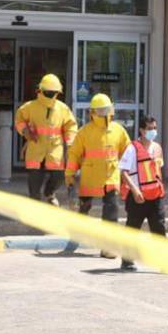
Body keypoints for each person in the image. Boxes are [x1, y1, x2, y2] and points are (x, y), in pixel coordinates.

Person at [65, 93, 131, 258]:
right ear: (92, 112)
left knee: (111, 212)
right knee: (84, 209)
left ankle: (108, 247)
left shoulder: (118, 130)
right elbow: (74, 154)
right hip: (91, 178)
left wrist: (128, 174)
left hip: (111, 178)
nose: (103, 113)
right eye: (100, 110)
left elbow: (128, 152)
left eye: (105, 110)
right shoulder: (85, 132)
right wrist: (69, 174)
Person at [15, 74, 77, 205]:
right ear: (40, 91)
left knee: (58, 175)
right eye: (48, 92)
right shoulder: (30, 107)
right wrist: (26, 131)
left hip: (55, 148)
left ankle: (49, 193)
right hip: (36, 146)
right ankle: (35, 201)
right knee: (35, 177)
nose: (51, 95)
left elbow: (70, 126)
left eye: (53, 93)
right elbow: (19, 119)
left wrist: (70, 142)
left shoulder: (62, 108)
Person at [118, 116, 166, 271]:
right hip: (138, 197)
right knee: (132, 228)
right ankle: (127, 260)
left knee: (159, 229)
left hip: (156, 196)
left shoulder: (157, 148)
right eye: (150, 129)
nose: (153, 131)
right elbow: (123, 172)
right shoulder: (132, 148)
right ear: (142, 130)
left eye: (155, 128)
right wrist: (134, 189)